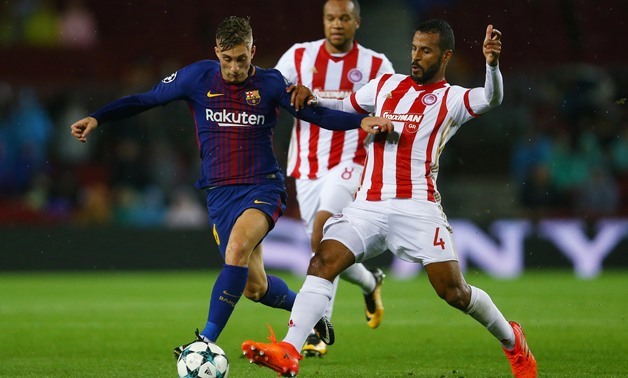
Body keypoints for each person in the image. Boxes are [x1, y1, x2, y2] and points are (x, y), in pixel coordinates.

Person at [69, 16, 391, 356]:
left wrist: (361, 121)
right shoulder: (196, 77)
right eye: (227, 59)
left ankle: (204, 342)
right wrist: (98, 117)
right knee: (255, 287)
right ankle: (309, 315)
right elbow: (145, 99)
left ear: (253, 52)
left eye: (242, 58)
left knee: (237, 247)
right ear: (216, 52)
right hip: (219, 194)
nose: (235, 67)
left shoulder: (270, 84)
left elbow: (318, 116)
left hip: (262, 188)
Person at [242, 19, 538, 378]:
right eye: (414, 48)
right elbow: (344, 105)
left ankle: (512, 341)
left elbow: (491, 98)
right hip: (368, 206)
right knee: (323, 259)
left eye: (425, 51)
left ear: (445, 55)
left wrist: (491, 65)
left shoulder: (451, 98)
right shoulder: (386, 85)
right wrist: (309, 94)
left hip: (418, 208)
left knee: (454, 292)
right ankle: (289, 350)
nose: (416, 57)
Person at [274, 0, 394, 357]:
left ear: (357, 22)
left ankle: (317, 331)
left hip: (352, 162)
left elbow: (392, 110)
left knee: (323, 233)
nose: (336, 24)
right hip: (307, 167)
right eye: (330, 18)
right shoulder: (298, 57)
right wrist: (287, 93)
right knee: (323, 249)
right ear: (323, 21)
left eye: (344, 18)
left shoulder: (376, 64)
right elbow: (271, 89)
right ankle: (370, 281)